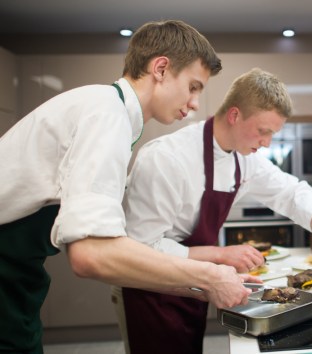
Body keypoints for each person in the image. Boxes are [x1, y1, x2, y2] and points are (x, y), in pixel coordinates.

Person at [0, 20, 256, 354]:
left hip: (18, 280)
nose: (194, 103)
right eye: (193, 86)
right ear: (161, 68)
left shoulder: (107, 110)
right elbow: (91, 254)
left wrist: (206, 283)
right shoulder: (107, 115)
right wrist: (208, 277)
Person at [116, 68, 312, 354]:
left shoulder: (244, 158)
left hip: (193, 284)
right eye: (263, 131)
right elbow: (142, 248)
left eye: (273, 134)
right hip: (150, 290)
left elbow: (292, 191)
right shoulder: (166, 159)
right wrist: (219, 254)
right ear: (234, 115)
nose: (267, 143)